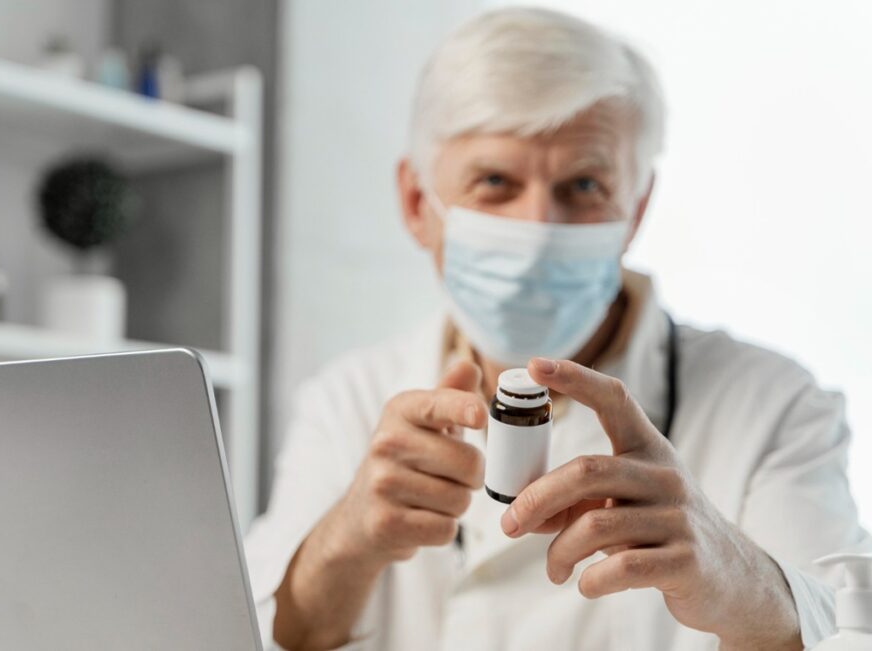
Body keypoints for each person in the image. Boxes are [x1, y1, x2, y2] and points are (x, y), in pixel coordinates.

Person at [246, 7, 871, 650]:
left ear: (636, 209)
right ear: (416, 204)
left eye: (583, 184)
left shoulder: (773, 407)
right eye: (494, 181)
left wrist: (742, 582)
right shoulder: (346, 400)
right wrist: (346, 539)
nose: (539, 229)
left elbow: (847, 629)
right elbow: (249, 631)